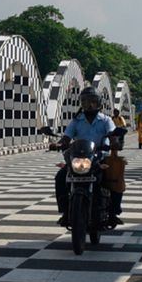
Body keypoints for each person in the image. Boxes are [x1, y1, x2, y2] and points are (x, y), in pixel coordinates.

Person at [54, 88, 119, 227]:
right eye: (84, 102)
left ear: (98, 103)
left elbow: (113, 135)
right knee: (60, 177)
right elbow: (66, 137)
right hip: (79, 158)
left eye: (92, 102)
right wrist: (59, 143)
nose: (88, 105)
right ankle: (65, 212)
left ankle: (113, 213)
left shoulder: (106, 120)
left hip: (99, 158)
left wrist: (114, 142)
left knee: (114, 177)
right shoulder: (77, 121)